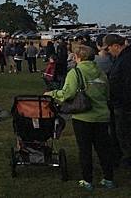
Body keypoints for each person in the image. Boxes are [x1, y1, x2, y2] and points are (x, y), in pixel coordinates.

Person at [45, 45, 114, 190]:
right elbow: (107, 94)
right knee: (104, 149)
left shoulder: (75, 72)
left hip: (83, 117)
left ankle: (87, 180)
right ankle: (108, 178)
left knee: (85, 149)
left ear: (78, 57)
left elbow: (67, 93)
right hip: (102, 115)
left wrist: (52, 94)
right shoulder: (101, 73)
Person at [103, 34, 131, 170]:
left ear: (115, 46)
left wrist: (120, 101)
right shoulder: (122, 58)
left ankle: (127, 160)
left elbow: (126, 84)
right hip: (121, 103)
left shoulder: (125, 60)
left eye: (108, 49)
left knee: (124, 134)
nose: (107, 52)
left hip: (124, 105)